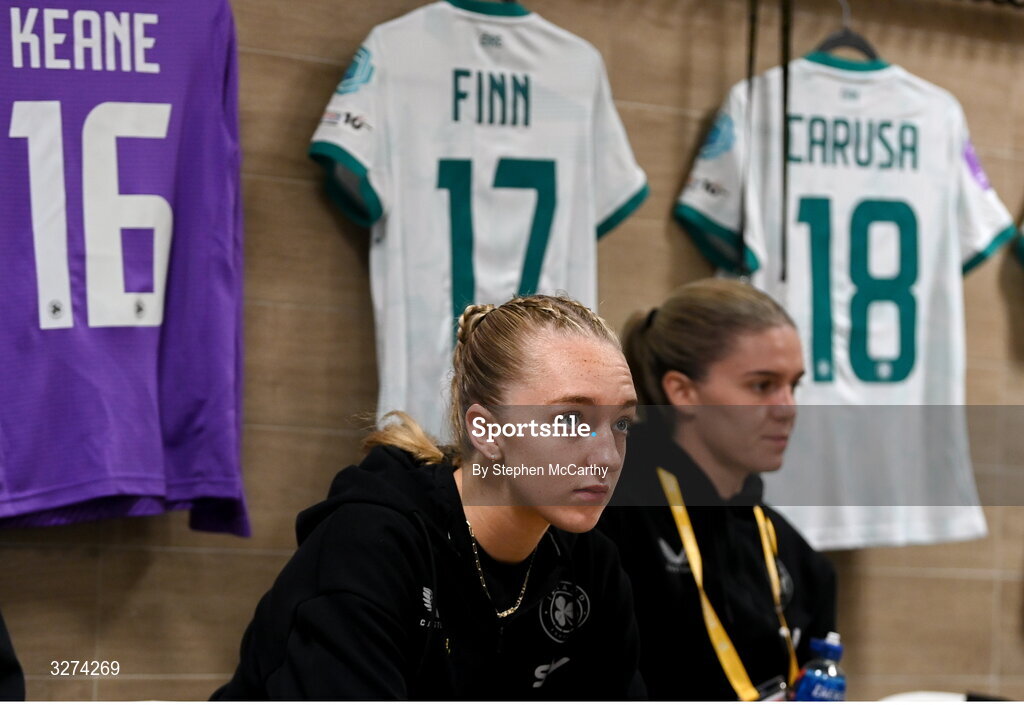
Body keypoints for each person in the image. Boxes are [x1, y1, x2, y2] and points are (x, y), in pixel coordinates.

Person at [213, 295, 643, 699]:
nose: (607, 456)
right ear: (488, 432)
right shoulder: (371, 544)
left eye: (621, 424)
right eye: (570, 420)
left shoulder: (592, 566)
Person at [598, 278, 836, 701]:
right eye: (762, 385)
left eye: (793, 385)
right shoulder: (605, 515)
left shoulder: (799, 559)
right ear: (683, 391)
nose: (788, 408)